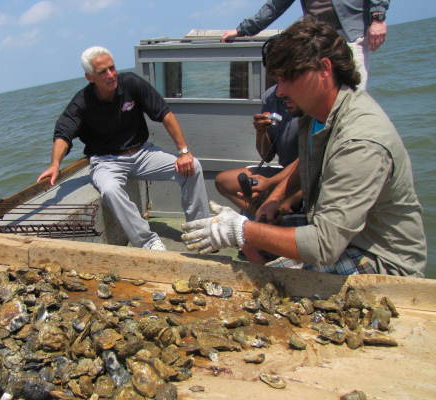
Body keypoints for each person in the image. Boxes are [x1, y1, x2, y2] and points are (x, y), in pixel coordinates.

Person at [182, 18, 427, 277]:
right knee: (256, 253)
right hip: (341, 234)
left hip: (382, 258)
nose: (280, 91)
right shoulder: (314, 115)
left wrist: (239, 229)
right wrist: (275, 200)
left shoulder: (360, 142)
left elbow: (324, 246)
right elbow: (305, 163)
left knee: (274, 281)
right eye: (278, 79)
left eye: (289, 78)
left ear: (324, 68)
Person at [36, 46, 210, 251]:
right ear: (90, 77)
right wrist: (55, 164)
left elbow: (164, 114)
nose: (111, 75)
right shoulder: (81, 103)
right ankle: (147, 241)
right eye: (103, 72)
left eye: (112, 68)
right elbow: (63, 134)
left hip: (143, 153)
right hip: (106, 161)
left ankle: (200, 231)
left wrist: (183, 152)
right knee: (110, 190)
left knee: (193, 167)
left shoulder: (131, 83)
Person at [221, 0, 390, 90]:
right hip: (318, 41)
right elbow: (274, 7)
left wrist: (378, 18)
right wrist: (242, 30)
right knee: (319, 100)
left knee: (354, 94)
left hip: (352, 36)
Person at [214, 84, 302, 215]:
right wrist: (261, 131)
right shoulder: (270, 96)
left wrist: (271, 183)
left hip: (305, 178)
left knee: (284, 205)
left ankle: (270, 217)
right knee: (223, 181)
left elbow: (306, 161)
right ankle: (262, 216)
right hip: (285, 171)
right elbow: (267, 157)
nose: (281, 93)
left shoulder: (312, 107)